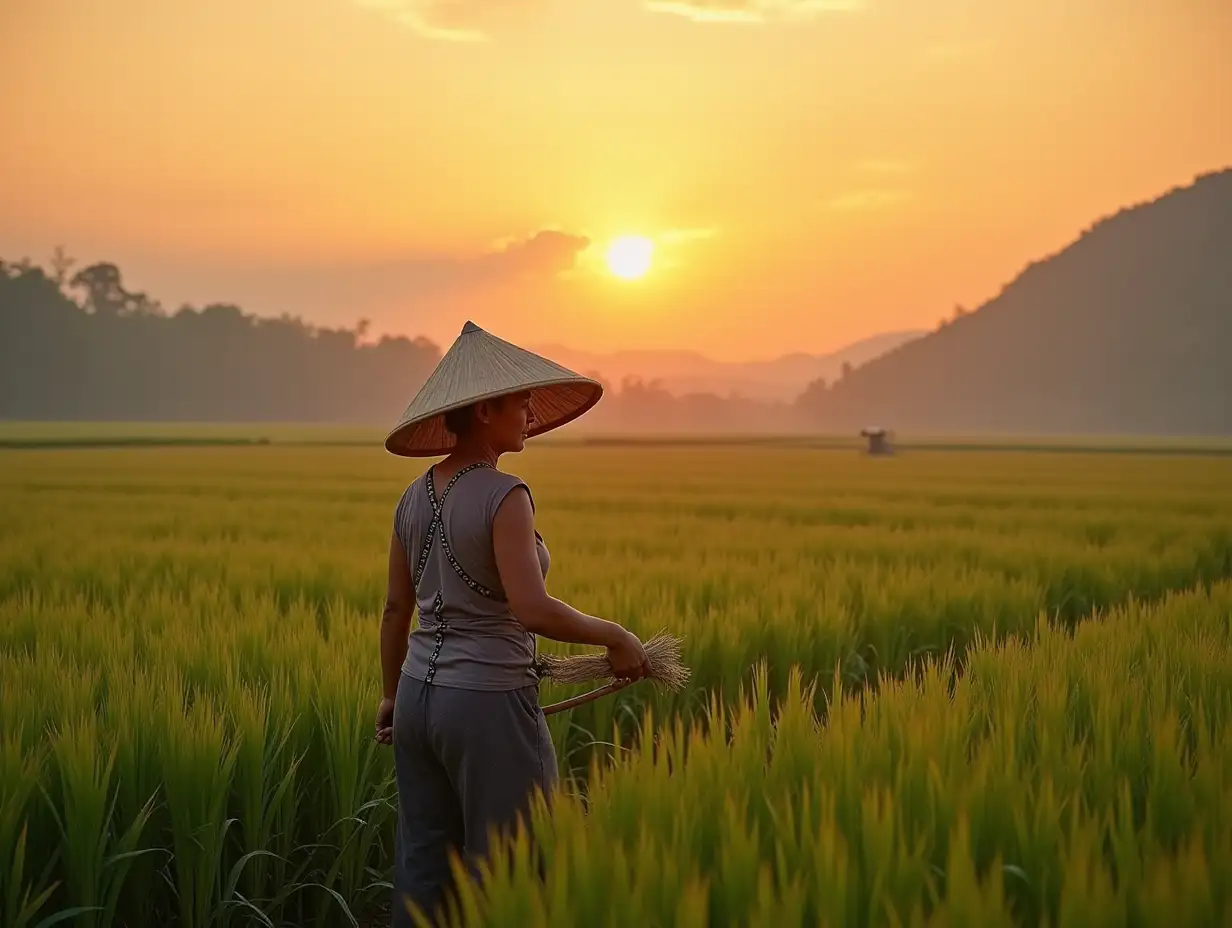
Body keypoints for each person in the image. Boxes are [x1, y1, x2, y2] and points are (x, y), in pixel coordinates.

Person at [375, 321, 649, 927]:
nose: (528, 410)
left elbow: (398, 610)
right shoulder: (506, 495)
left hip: (419, 700)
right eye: (518, 400)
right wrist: (618, 636)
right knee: (506, 866)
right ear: (483, 411)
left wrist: (392, 695)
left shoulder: (411, 497)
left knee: (423, 863)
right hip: (487, 704)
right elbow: (533, 609)